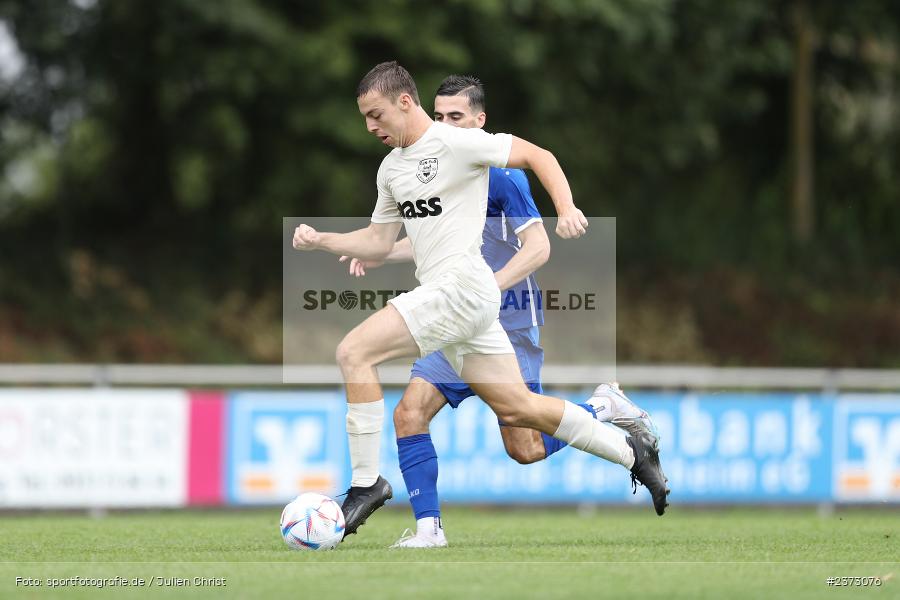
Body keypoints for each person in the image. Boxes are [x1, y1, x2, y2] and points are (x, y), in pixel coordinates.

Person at [291, 61, 669, 540]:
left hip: (461, 291)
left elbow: (539, 155)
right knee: (520, 413)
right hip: (466, 305)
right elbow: (380, 243)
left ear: (404, 102)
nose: (370, 126)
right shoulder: (391, 170)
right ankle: (630, 452)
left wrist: (567, 207)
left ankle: (366, 484)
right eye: (365, 118)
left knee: (353, 352)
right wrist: (323, 240)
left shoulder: (456, 143)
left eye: (376, 114)